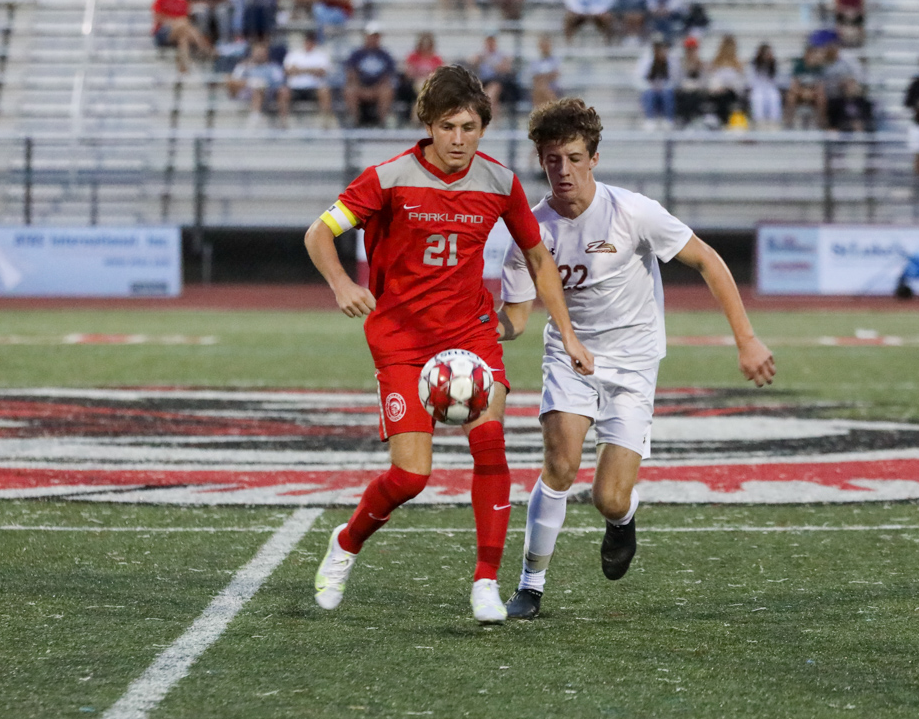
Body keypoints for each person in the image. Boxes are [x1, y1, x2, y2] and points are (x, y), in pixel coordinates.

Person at [304, 65, 593, 623]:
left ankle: (486, 581)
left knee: (491, 444)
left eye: (469, 127)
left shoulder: (501, 183)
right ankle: (347, 541)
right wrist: (342, 283)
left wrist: (568, 332)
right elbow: (319, 232)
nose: (458, 139)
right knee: (411, 476)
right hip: (400, 338)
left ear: (483, 126)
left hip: (469, 335)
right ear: (429, 126)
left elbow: (539, 259)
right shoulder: (386, 178)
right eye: (447, 127)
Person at [497, 98, 775, 621]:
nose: (564, 170)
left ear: (595, 159)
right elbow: (515, 318)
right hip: (569, 355)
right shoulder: (528, 232)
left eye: (575, 158)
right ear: (540, 160)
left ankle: (622, 520)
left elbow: (708, 261)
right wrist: (473, 329)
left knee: (608, 496)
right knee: (559, 463)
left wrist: (747, 340)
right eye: (553, 159)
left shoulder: (633, 212)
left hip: (634, 363)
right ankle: (530, 586)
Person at [151, 0, 210, 74]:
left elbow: (186, 18)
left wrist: (179, 23)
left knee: (183, 37)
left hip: (180, 31)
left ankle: (184, 66)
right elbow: (158, 18)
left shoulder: (182, 1)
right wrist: (175, 22)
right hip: (164, 31)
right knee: (182, 24)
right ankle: (204, 47)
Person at [343, 23, 397, 127]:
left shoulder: (385, 55)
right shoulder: (357, 54)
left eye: (375, 36)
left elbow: (387, 76)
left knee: (386, 90)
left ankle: (382, 121)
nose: (373, 39)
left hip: (378, 88)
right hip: (360, 86)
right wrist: (362, 88)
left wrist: (373, 89)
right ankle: (354, 121)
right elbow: (351, 73)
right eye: (371, 36)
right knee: (350, 90)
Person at [279, 30, 335, 128]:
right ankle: (283, 122)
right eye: (307, 41)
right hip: (296, 87)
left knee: (325, 91)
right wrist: (312, 70)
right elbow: (287, 71)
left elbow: (322, 72)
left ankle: (325, 121)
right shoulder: (293, 54)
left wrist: (300, 70)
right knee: (283, 91)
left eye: (311, 41)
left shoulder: (321, 55)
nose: (309, 43)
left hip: (314, 88)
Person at [226, 40, 285, 127]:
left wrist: (265, 84)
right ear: (253, 53)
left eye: (262, 53)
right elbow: (233, 82)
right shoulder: (244, 66)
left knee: (260, 87)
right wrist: (251, 82)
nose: (259, 55)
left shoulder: (273, 67)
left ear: (266, 54)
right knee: (230, 80)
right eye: (257, 52)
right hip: (245, 92)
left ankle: (257, 117)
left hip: (267, 92)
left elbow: (279, 83)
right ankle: (255, 115)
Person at [471, 31, 518, 118]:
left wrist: (490, 62)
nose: (490, 43)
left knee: (494, 89)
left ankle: (487, 115)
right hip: (483, 81)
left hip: (498, 82)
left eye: (492, 41)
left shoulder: (502, 55)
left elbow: (506, 68)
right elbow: (472, 62)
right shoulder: (481, 54)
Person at [400, 33, 444, 121]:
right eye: (424, 44)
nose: (425, 47)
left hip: (431, 84)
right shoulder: (413, 57)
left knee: (425, 88)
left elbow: (439, 74)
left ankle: (417, 118)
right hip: (413, 84)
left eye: (427, 45)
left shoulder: (436, 58)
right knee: (421, 86)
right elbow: (408, 73)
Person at [636, 37, 678, 129]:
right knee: (648, 93)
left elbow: (675, 78)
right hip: (650, 89)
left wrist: (663, 86)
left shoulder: (671, 60)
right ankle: (650, 119)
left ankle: (668, 119)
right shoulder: (647, 59)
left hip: (665, 89)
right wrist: (652, 86)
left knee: (667, 93)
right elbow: (639, 78)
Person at [706, 34, 746, 125]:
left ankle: (723, 120)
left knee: (725, 96)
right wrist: (718, 87)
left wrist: (730, 87)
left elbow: (740, 81)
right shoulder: (716, 62)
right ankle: (717, 120)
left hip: (732, 91)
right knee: (719, 95)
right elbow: (712, 78)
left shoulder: (738, 63)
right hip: (718, 90)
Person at [786, 41, 827, 129]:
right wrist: (802, 92)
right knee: (791, 97)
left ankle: (821, 123)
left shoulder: (819, 68)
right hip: (800, 91)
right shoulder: (799, 66)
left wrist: (812, 93)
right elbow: (794, 85)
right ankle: (789, 122)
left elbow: (820, 86)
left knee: (821, 98)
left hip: (814, 92)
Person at [748, 42, 782, 128]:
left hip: (771, 88)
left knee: (774, 96)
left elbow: (778, 80)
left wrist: (771, 66)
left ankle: (774, 121)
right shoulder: (753, 64)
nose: (767, 56)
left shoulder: (774, 64)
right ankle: (759, 121)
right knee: (757, 97)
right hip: (757, 88)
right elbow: (750, 80)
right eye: (765, 54)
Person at [528, 35, 561, 108]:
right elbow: (535, 77)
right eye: (543, 46)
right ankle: (555, 107)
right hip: (539, 87)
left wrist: (542, 77)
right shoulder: (535, 60)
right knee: (540, 88)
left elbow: (555, 75)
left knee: (541, 88)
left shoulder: (555, 59)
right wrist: (547, 76)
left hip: (553, 88)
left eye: (546, 45)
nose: (545, 48)